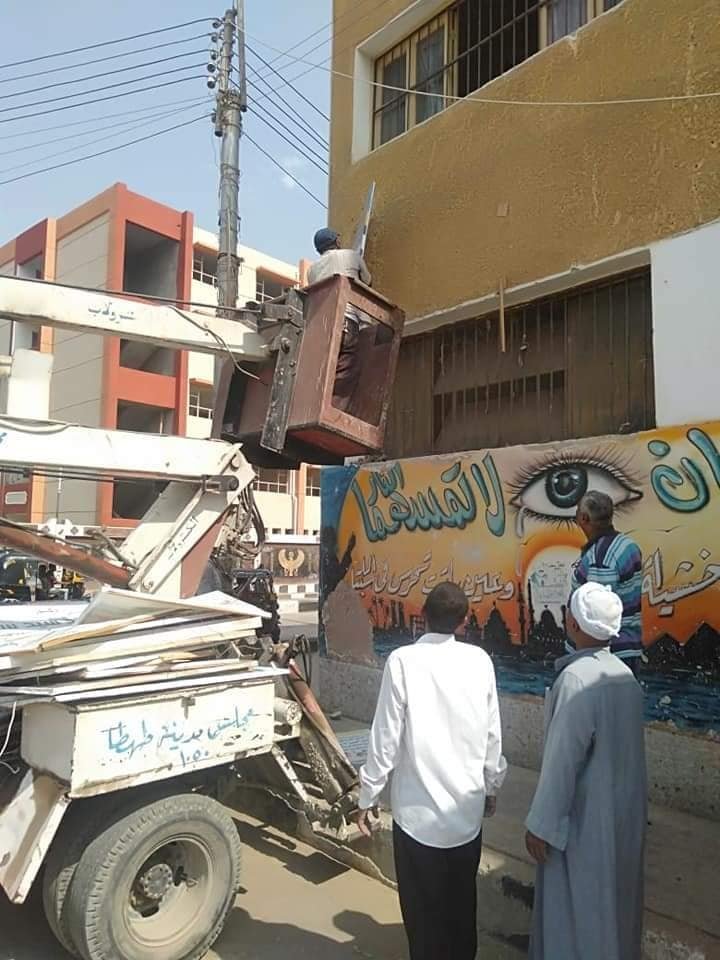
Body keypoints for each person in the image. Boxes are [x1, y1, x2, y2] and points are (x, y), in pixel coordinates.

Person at [354, 582, 507, 960]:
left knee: (423, 917)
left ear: (422, 616)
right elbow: (492, 734)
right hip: (466, 816)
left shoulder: (402, 661)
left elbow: (385, 737)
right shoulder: (480, 661)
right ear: (464, 621)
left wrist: (368, 795)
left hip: (416, 820)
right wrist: (491, 787)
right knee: (461, 910)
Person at [525, 581, 647, 960]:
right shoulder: (625, 677)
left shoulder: (577, 680)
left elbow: (562, 760)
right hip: (619, 817)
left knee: (575, 912)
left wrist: (541, 825)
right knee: (614, 907)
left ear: (574, 624)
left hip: (583, 822)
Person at [571, 489, 643, 674]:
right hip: (628, 649)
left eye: (577, 511)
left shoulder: (600, 559)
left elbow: (597, 615)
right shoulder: (627, 545)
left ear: (584, 518)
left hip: (607, 658)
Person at [307, 228, 373, 413]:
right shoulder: (351, 256)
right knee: (348, 371)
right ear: (336, 241)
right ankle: (333, 414)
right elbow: (368, 281)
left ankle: (321, 409)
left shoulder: (312, 270)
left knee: (328, 371)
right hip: (347, 321)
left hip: (324, 326)